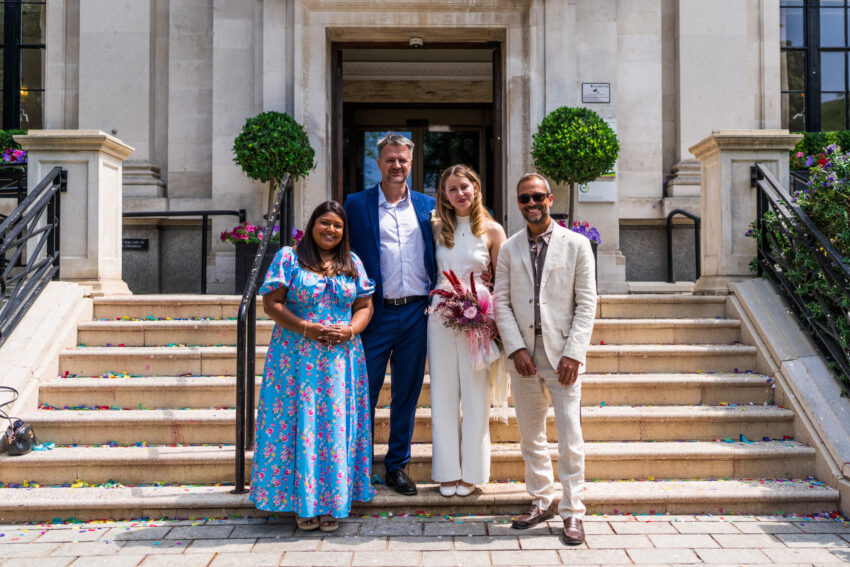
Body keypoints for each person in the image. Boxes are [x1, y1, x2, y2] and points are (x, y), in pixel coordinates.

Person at [250, 200, 376, 532]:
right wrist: (306, 327)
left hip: (341, 360)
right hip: (295, 359)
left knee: (333, 429)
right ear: (312, 225)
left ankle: (332, 502)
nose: (331, 230)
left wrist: (350, 329)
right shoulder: (289, 258)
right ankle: (301, 503)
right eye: (325, 223)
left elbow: (365, 305)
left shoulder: (352, 262)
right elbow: (271, 303)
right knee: (298, 426)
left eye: (337, 225)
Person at [494, 173, 596, 545]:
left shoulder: (578, 245)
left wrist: (574, 353)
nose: (532, 204)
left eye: (538, 197)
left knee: (570, 436)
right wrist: (516, 348)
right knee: (530, 436)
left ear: (550, 199)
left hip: (562, 355)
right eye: (524, 199)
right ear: (518, 203)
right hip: (523, 356)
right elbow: (501, 302)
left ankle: (572, 511)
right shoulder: (509, 248)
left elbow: (587, 304)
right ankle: (541, 499)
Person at [344, 133, 436, 496]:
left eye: (403, 160)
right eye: (390, 159)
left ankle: (397, 467)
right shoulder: (356, 204)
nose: (397, 165)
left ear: (411, 163)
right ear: (379, 163)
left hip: (417, 312)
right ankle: (356, 468)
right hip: (374, 313)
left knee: (406, 395)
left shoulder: (429, 205)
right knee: (362, 391)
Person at [428, 164, 506, 497]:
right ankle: (446, 471)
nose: (459, 194)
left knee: (476, 397)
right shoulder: (435, 229)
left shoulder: (492, 230)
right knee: (442, 395)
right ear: (444, 195)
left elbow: (503, 279)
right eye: (452, 189)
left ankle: (472, 471)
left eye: (465, 187)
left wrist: (493, 318)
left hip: (479, 317)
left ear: (475, 188)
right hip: (440, 317)